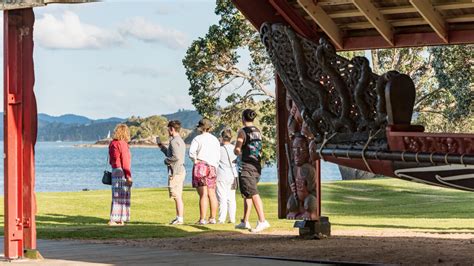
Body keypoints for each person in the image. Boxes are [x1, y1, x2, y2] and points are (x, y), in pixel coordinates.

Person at [234, 109, 270, 232]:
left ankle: (262, 220)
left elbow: (237, 149)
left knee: (253, 193)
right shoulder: (257, 131)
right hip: (256, 165)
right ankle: (245, 221)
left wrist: (237, 152)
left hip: (246, 166)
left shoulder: (242, 132)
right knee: (247, 194)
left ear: (243, 118)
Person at [189, 118, 221, 225]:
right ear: (209, 128)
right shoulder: (215, 140)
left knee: (203, 194)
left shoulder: (197, 139)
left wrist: (195, 160)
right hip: (212, 166)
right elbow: (218, 155)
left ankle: (202, 219)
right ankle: (212, 218)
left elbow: (191, 153)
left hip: (201, 166)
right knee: (212, 193)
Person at [158, 120, 186, 225]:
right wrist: (162, 147)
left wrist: (166, 161)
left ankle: (180, 218)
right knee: (177, 195)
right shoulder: (179, 140)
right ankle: (179, 217)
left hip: (176, 172)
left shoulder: (174, 141)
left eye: (168, 129)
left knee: (176, 195)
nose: (167, 131)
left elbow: (175, 157)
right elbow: (171, 154)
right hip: (180, 170)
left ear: (172, 129)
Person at [108, 124, 132, 226]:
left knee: (116, 196)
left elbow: (111, 160)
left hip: (114, 171)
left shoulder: (112, 143)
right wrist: (128, 176)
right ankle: (116, 219)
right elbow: (125, 161)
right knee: (122, 196)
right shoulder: (123, 144)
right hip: (121, 171)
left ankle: (117, 219)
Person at [216, 128, 238, 224]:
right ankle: (232, 218)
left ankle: (221, 219)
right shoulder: (234, 148)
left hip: (221, 174)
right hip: (233, 175)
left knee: (222, 197)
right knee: (231, 198)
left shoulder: (219, 149)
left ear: (221, 137)